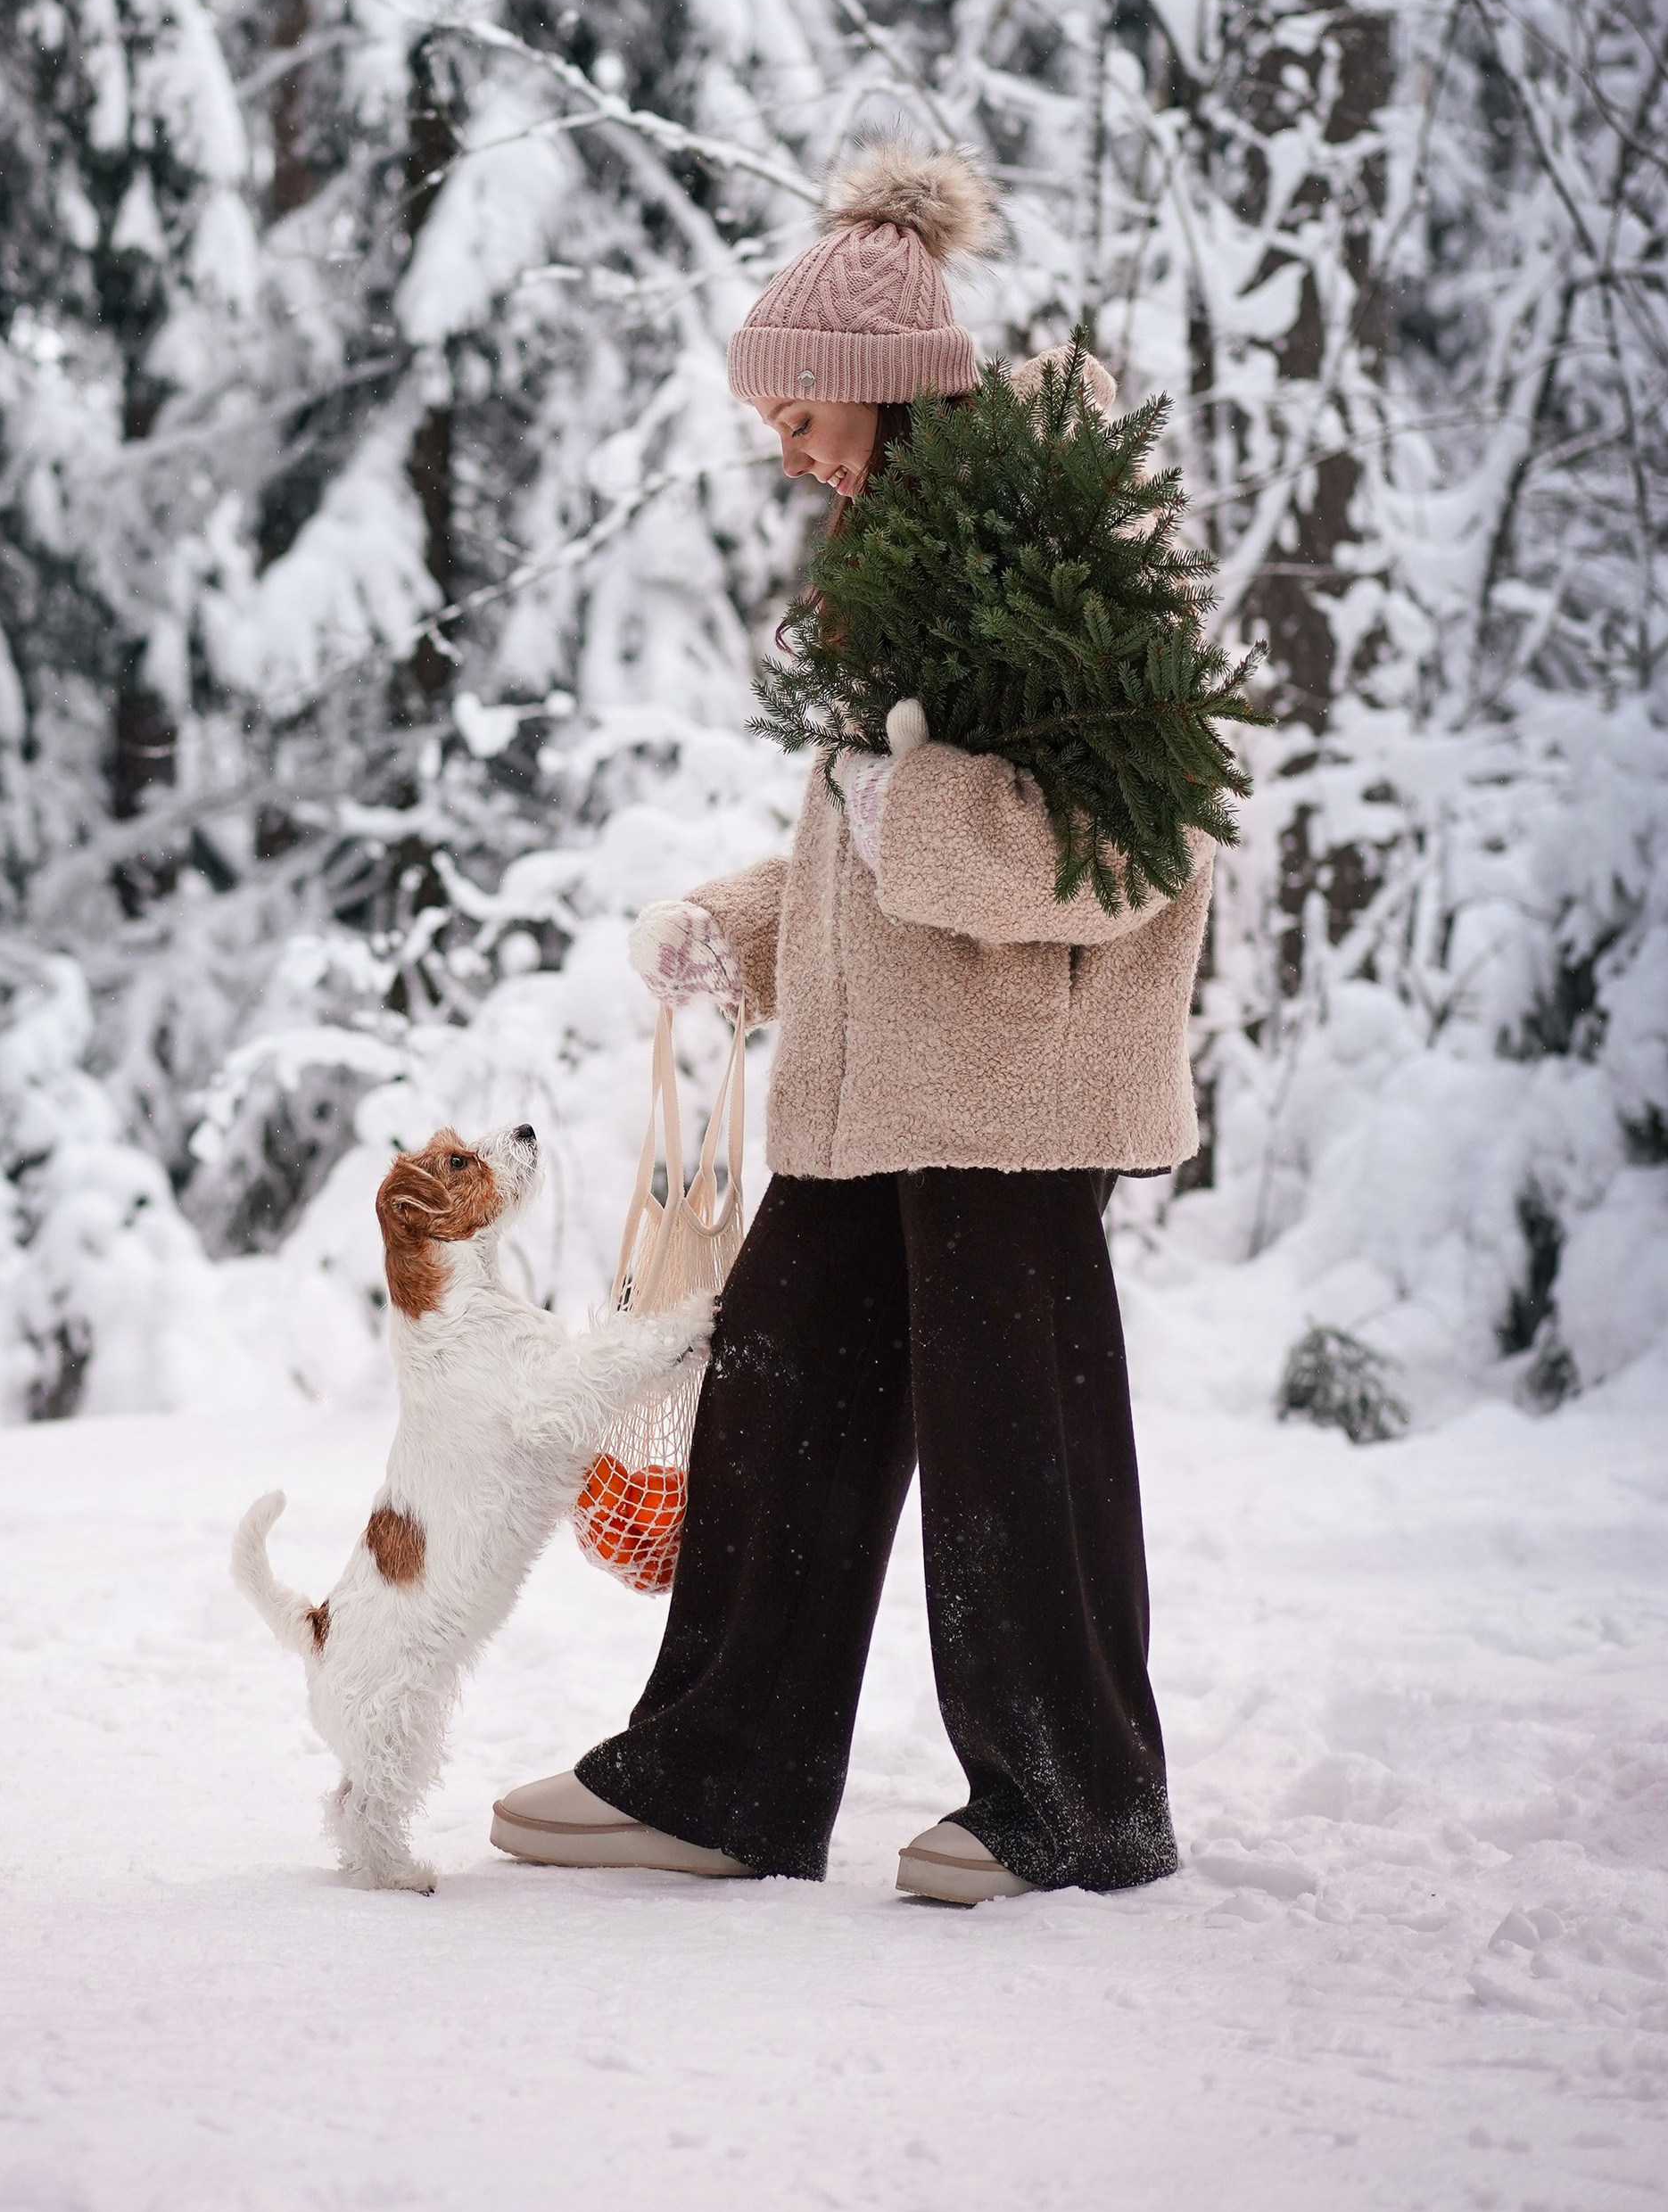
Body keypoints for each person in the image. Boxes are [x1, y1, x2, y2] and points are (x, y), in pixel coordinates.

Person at [491, 143, 1210, 1904]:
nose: (788, 450)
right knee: (778, 1387)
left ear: (883, 388)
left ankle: (1076, 1804)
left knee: (1008, 1437)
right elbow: (866, 831)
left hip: (1012, 1082)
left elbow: (1136, 832)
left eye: (802, 413)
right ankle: (715, 1774)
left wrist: (914, 822)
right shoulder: (904, 549)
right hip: (879, 1082)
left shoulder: (1056, 528)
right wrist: (736, 927)